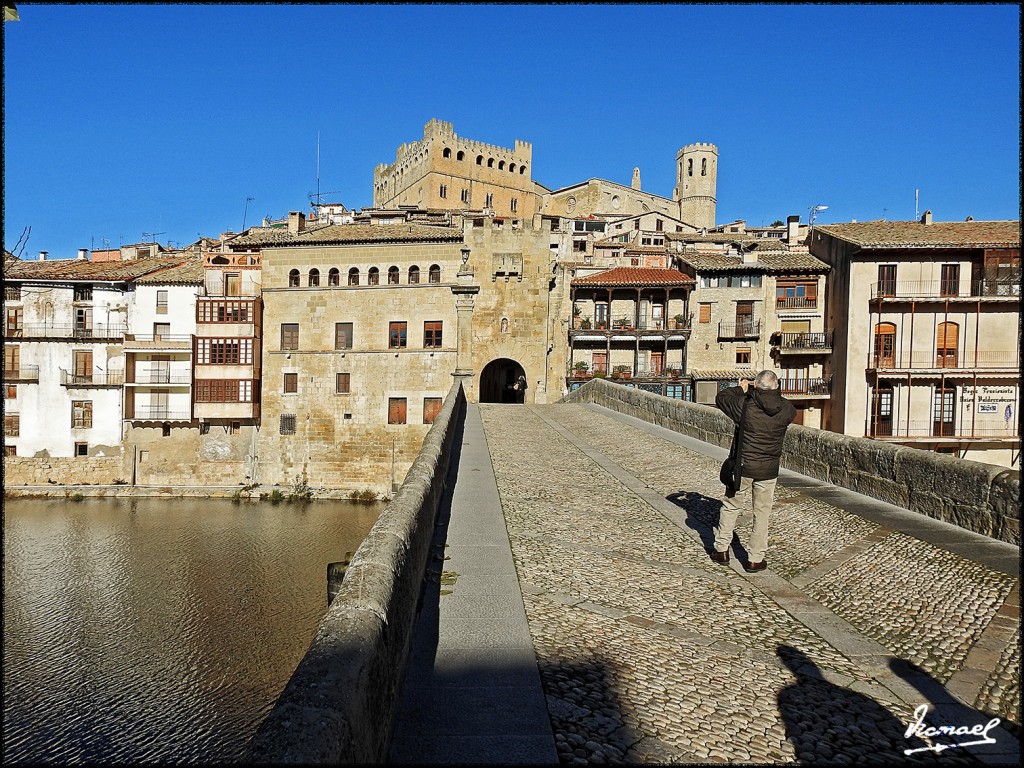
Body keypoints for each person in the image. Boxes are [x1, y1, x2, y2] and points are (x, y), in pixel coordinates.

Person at [710, 370, 796, 572]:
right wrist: (764, 391)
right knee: (762, 513)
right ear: (776, 387)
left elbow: (722, 398)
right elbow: (779, 404)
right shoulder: (787, 409)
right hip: (768, 469)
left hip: (743, 467)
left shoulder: (745, 405)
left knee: (731, 506)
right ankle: (755, 559)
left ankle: (722, 550)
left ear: (756, 385)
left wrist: (742, 388)